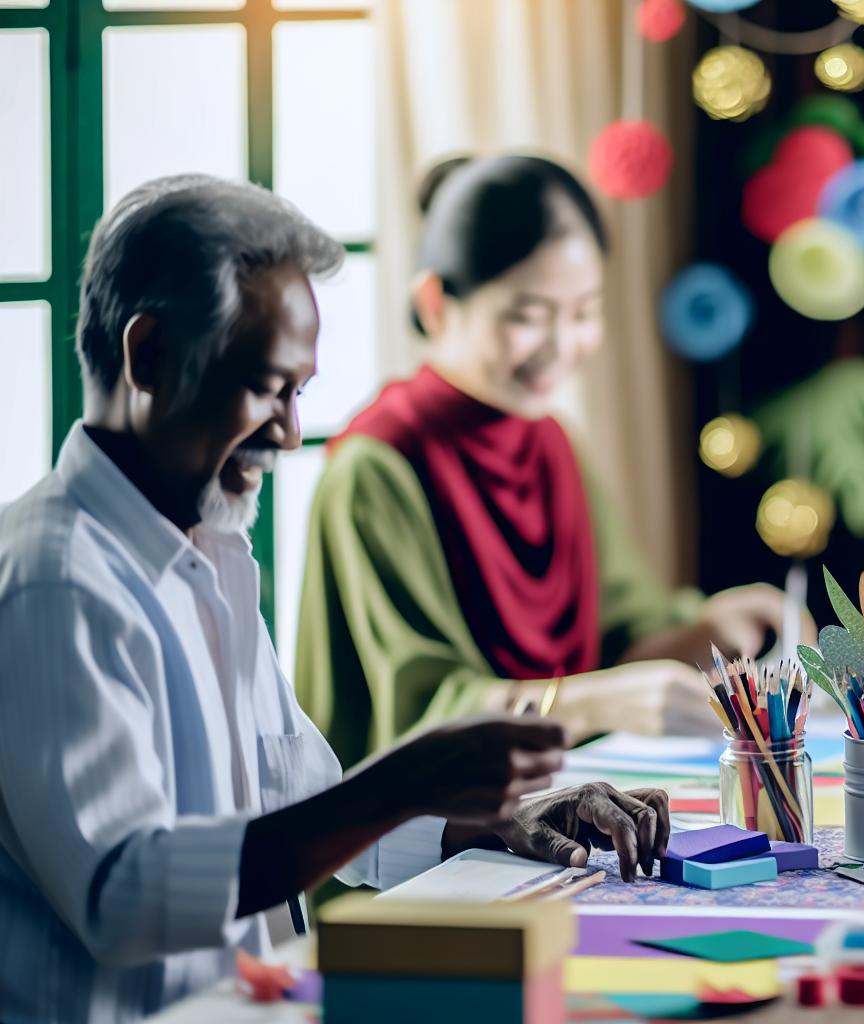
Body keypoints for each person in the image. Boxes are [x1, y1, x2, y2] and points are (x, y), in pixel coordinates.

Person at [0, 176, 675, 1023]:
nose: (288, 432)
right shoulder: (54, 578)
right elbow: (126, 895)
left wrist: (499, 821)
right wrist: (400, 783)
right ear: (149, 356)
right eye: (264, 386)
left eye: (300, 393)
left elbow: (297, 810)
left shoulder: (213, 554)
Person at [296, 155, 806, 764]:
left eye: (585, 312)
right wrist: (593, 704)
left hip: (568, 803)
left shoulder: (552, 442)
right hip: (420, 841)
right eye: (527, 317)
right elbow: (417, 712)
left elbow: (624, 634)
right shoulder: (377, 468)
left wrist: (708, 630)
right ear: (435, 303)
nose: (564, 346)